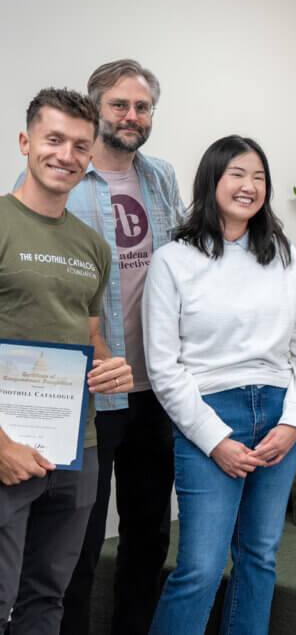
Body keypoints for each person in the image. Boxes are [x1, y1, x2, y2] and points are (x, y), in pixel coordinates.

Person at [12, 59, 185, 635]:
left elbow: (184, 262)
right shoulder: (56, 185)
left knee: (146, 535)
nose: (132, 116)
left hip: (151, 387)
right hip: (77, 401)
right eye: (120, 105)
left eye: (142, 107)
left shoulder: (160, 178)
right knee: (74, 548)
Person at [142, 136, 296, 634]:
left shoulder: (283, 256)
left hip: (279, 416)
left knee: (259, 557)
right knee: (199, 568)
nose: (249, 186)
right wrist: (215, 440)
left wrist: (294, 422)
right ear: (211, 181)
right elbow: (163, 366)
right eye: (237, 174)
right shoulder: (173, 260)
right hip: (209, 416)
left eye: (259, 177)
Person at [1, 88, 133, 634]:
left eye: (81, 145)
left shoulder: (93, 246)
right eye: (54, 139)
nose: (66, 155)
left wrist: (110, 366)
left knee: (47, 598)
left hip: (79, 446)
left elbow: (89, 336)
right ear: (26, 141)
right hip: (6, 447)